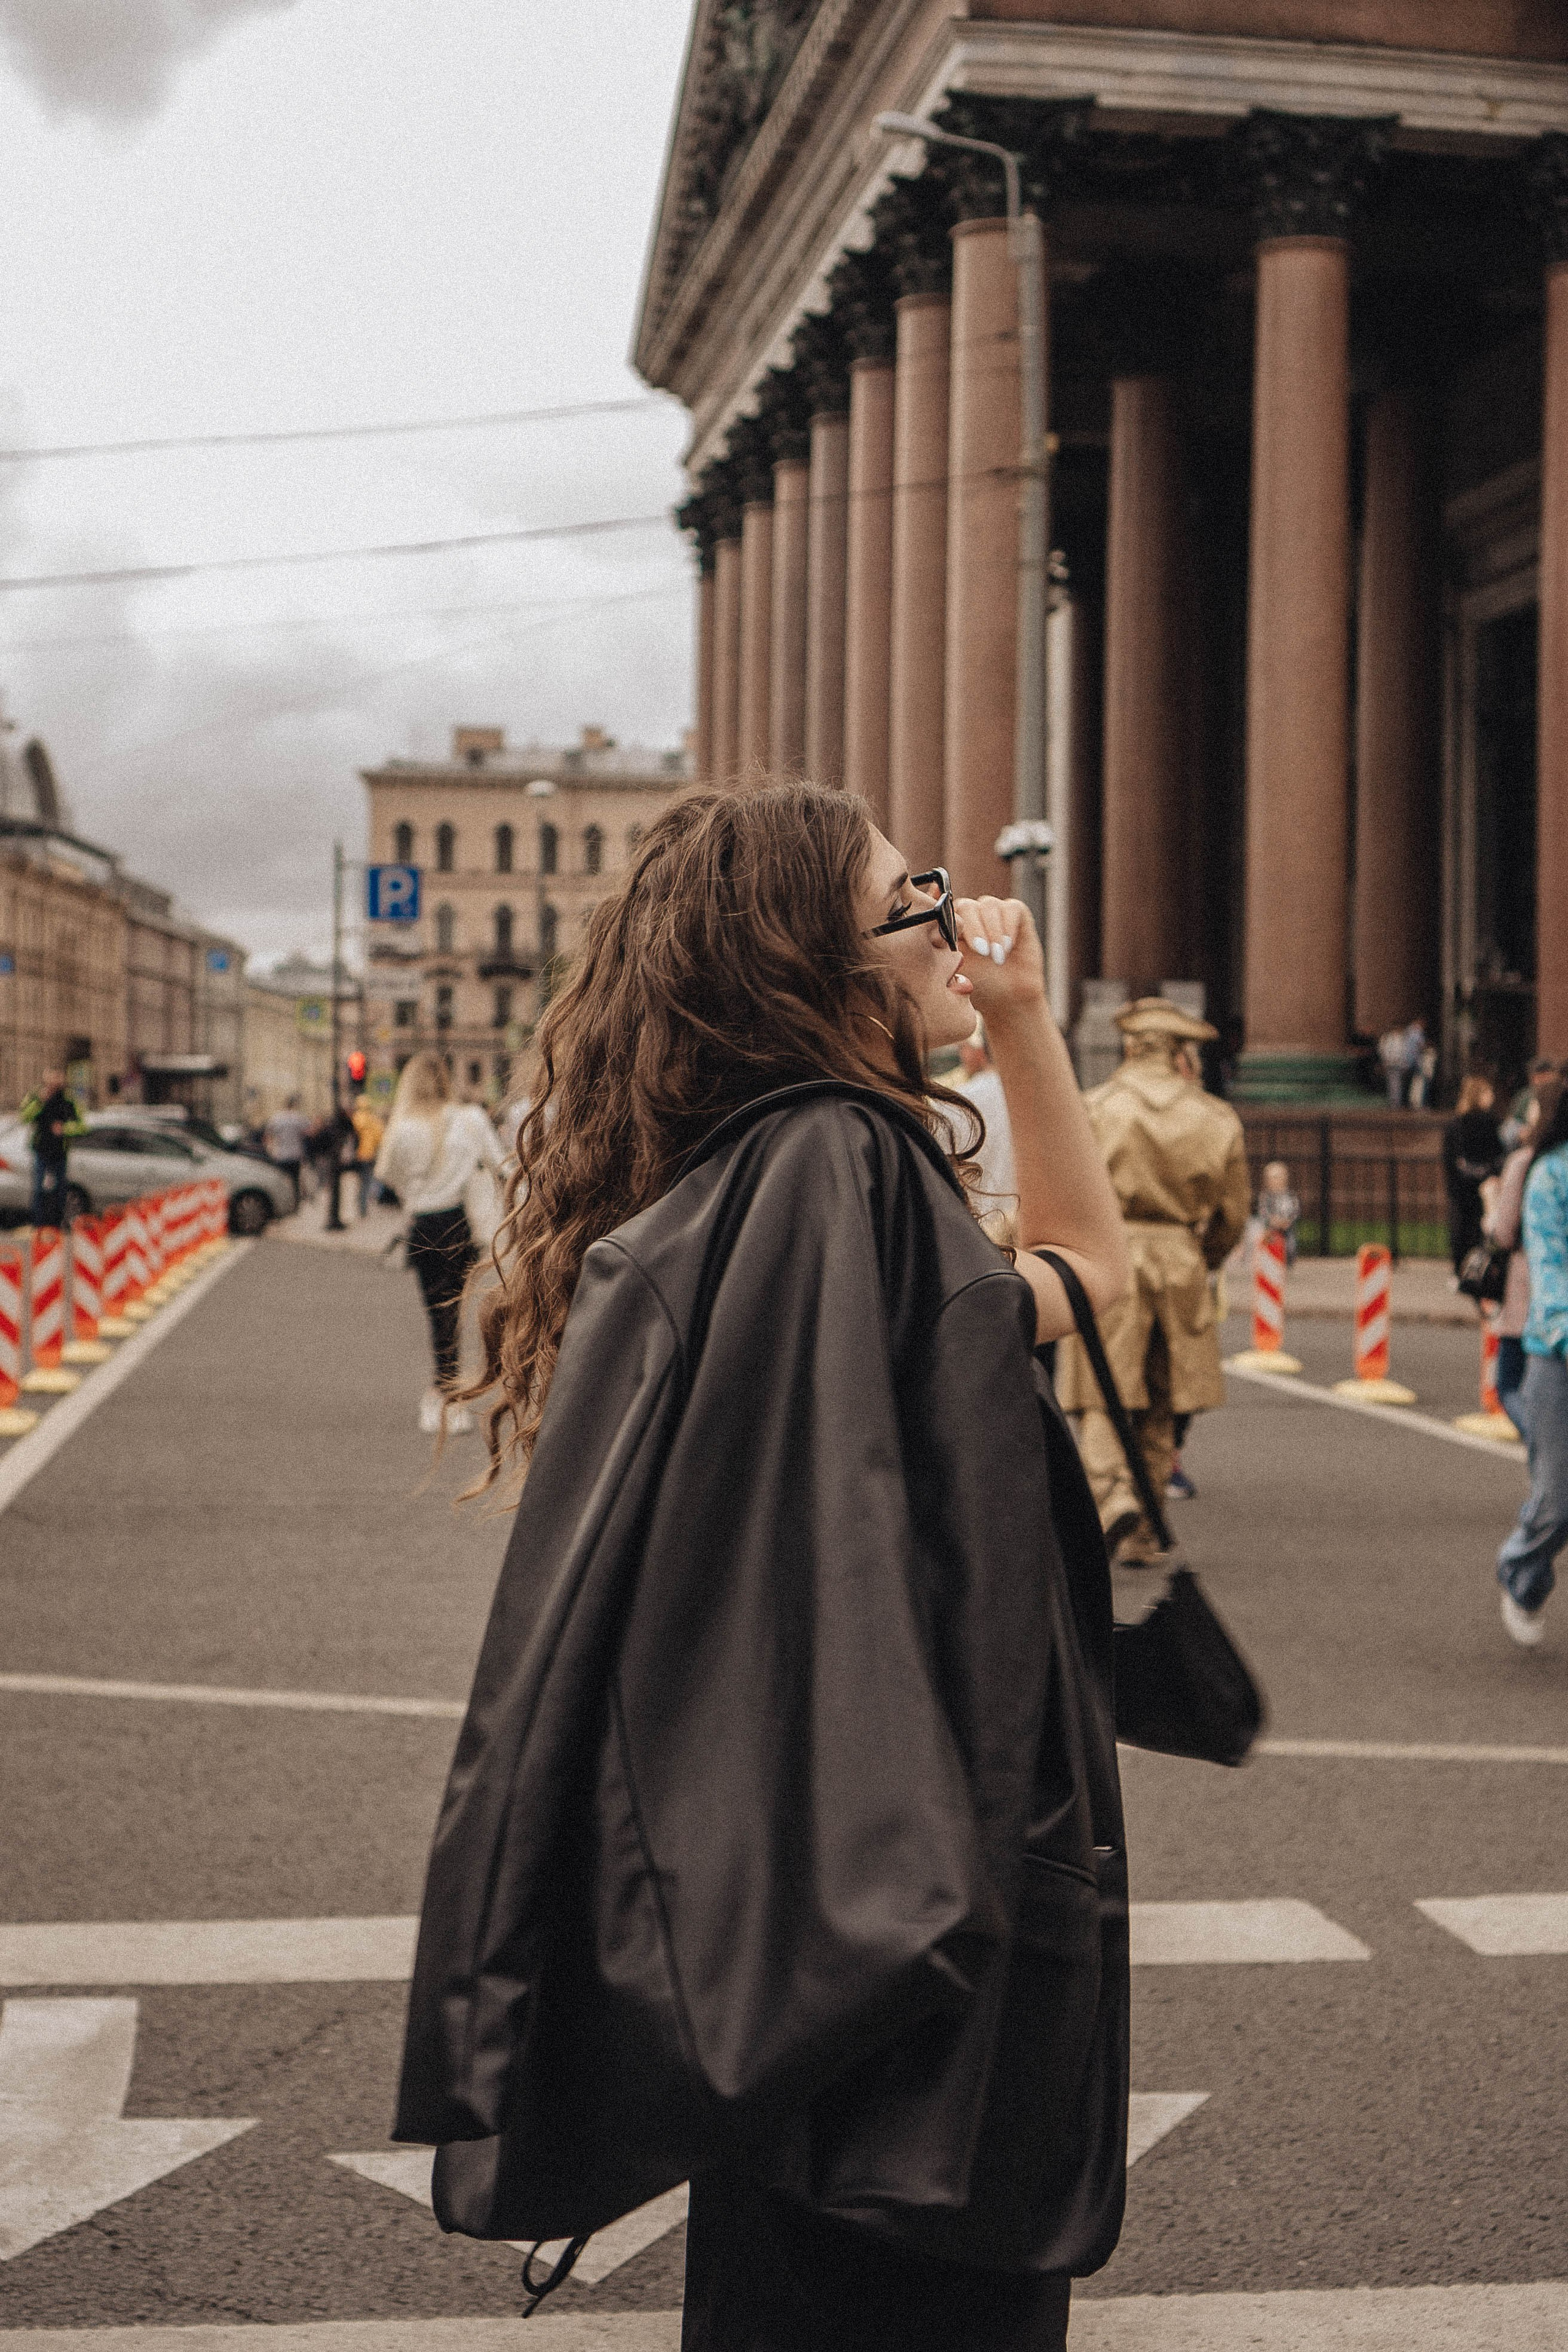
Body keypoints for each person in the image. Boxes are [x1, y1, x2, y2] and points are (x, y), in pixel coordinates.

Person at [393, 783, 1134, 2352]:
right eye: (907, 897)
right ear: (814, 961)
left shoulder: (792, 1174)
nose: (951, 916)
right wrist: (940, 1915)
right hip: (891, 1942)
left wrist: (1018, 1021)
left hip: (819, 1940)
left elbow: (1088, 1274)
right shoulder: (842, 1172)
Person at [1053, 998, 1250, 1566]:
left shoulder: (1097, 1107)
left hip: (1113, 1249)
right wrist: (1202, 1255)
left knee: (1101, 1389)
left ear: (1131, 1048)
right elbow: (1234, 1215)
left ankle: (1111, 1495)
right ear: (1180, 1054)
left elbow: (1065, 1188)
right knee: (1164, 1398)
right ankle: (1150, 1522)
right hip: (1181, 1258)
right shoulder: (1215, 1117)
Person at [374, 1052, 507, 1435]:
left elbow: (388, 1175)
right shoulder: (471, 1119)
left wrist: (417, 1191)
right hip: (459, 1226)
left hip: (423, 1227)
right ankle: (447, 1395)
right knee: (454, 1313)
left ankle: (442, 1394)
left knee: (438, 1314)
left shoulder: (401, 1128)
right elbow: (501, 1163)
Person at [1494, 1083, 1568, 1645]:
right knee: (1558, 1500)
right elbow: (1549, 1270)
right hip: (1558, 1354)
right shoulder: (1550, 1175)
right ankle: (1522, 1575)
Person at [1482, 1082, 1559, 1440]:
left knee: (1510, 1385)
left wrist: (1489, 1203)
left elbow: (1503, 1232)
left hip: (1529, 1292)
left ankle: (1543, 1451)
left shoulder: (1529, 1164)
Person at [948, 1020, 1017, 1228]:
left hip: (976, 1236)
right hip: (1032, 1242)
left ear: (982, 1051)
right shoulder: (1047, 1102)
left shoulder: (956, 1103)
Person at [1442, 1074, 1502, 1276]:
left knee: (1461, 1230)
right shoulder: (1490, 1123)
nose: (1492, 1096)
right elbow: (1497, 1155)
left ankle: (1459, 1269)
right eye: (1488, 1092)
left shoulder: (1455, 1124)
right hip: (1483, 1186)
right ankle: (1478, 1270)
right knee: (1480, 1231)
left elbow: (1451, 1159)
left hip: (1460, 1188)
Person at [18, 1066, 83, 1227]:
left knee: (60, 1190)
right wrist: (40, 1101)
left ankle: (56, 1224)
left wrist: (65, 1129)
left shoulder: (69, 1099)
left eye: (57, 1078)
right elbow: (24, 1117)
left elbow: (82, 1126)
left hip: (60, 1151)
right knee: (39, 1190)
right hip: (41, 1150)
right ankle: (38, 1225)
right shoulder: (36, 1095)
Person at [262, 1094, 311, 1206]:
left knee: (283, 1180)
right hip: (295, 1154)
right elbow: (309, 1132)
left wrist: (270, 1150)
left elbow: (267, 1136)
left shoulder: (277, 1118)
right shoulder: (299, 1118)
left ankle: (285, 1202)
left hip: (281, 1154)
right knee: (295, 1180)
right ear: (294, 1105)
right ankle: (296, 1202)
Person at [1257, 1158, 1302, 1268]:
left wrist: (1287, 1221)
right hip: (1270, 1228)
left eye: (1277, 1177)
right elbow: (1263, 1211)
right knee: (1267, 1241)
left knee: (1290, 1243)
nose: (1274, 1181)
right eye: (1271, 1178)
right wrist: (1272, 1220)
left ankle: (1289, 1259)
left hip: (1286, 1228)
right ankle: (1267, 1261)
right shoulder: (1265, 1197)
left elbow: (1294, 1210)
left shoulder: (1290, 1196)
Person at [350, 1092, 385, 1217]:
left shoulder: (354, 1118)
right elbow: (380, 1137)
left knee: (360, 1181)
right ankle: (363, 1208)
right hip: (369, 1155)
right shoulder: (373, 1119)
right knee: (367, 1181)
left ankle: (360, 1204)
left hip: (356, 1155)